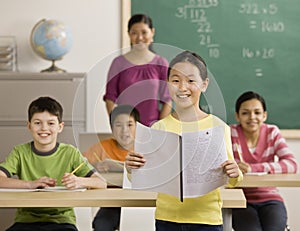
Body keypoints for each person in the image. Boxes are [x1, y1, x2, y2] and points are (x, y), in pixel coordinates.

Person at [125, 50, 243, 231]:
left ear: (204, 85)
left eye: (190, 80)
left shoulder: (218, 127)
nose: (182, 87)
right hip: (167, 219)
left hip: (207, 220)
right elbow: (142, 177)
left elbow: (232, 178)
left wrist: (235, 173)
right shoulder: (158, 129)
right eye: (175, 80)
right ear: (167, 85)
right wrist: (131, 168)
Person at [0, 96, 107, 231]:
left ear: (60, 127)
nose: (44, 128)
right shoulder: (20, 152)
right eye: (37, 123)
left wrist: (79, 181)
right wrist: (29, 184)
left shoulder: (70, 153)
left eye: (51, 123)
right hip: (26, 221)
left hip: (62, 221)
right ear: (29, 126)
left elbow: (101, 183)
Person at [230, 91, 298, 231]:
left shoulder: (272, 132)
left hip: (270, 198)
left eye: (257, 112)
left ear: (264, 115)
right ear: (237, 116)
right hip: (241, 199)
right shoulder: (231, 133)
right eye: (245, 113)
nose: (252, 117)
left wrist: (252, 168)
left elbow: (291, 164)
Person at [103, 13, 172, 127]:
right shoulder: (118, 63)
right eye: (134, 33)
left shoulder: (161, 63)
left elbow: (167, 100)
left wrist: (159, 128)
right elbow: (110, 98)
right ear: (129, 35)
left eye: (144, 32)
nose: (140, 37)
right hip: (125, 129)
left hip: (152, 129)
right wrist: (117, 125)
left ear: (152, 32)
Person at [83, 104, 140, 231]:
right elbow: (80, 164)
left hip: (140, 203)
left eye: (130, 125)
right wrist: (94, 166)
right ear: (112, 128)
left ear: (138, 126)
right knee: (101, 225)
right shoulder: (103, 147)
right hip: (111, 203)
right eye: (119, 125)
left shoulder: (145, 148)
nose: (124, 131)